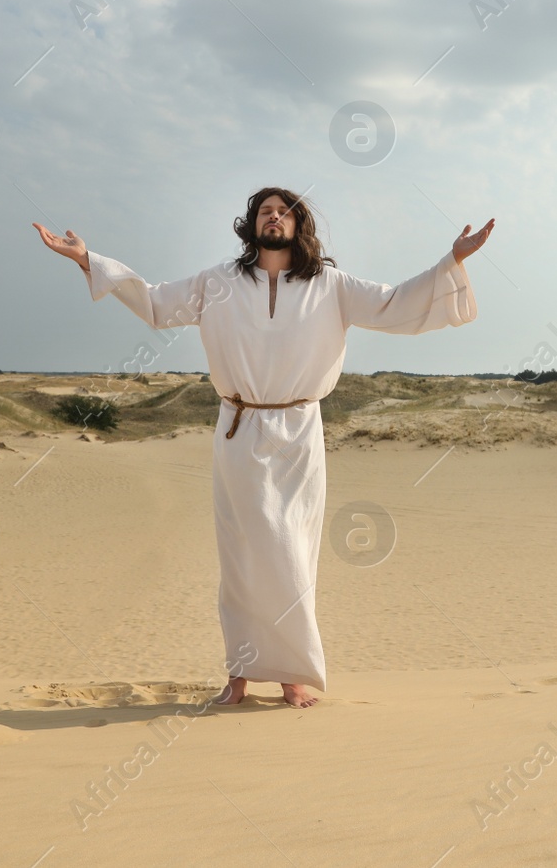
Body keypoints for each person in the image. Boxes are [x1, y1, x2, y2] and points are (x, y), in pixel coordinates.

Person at [34, 187, 494, 707]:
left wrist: (452, 259)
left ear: (299, 226)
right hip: (238, 429)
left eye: (283, 212)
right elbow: (156, 303)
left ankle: (293, 676)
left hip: (299, 432)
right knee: (242, 557)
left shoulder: (332, 285)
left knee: (292, 551)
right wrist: (86, 259)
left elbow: (393, 304)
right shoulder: (218, 282)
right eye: (265, 212)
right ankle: (240, 675)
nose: (273, 218)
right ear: (251, 223)